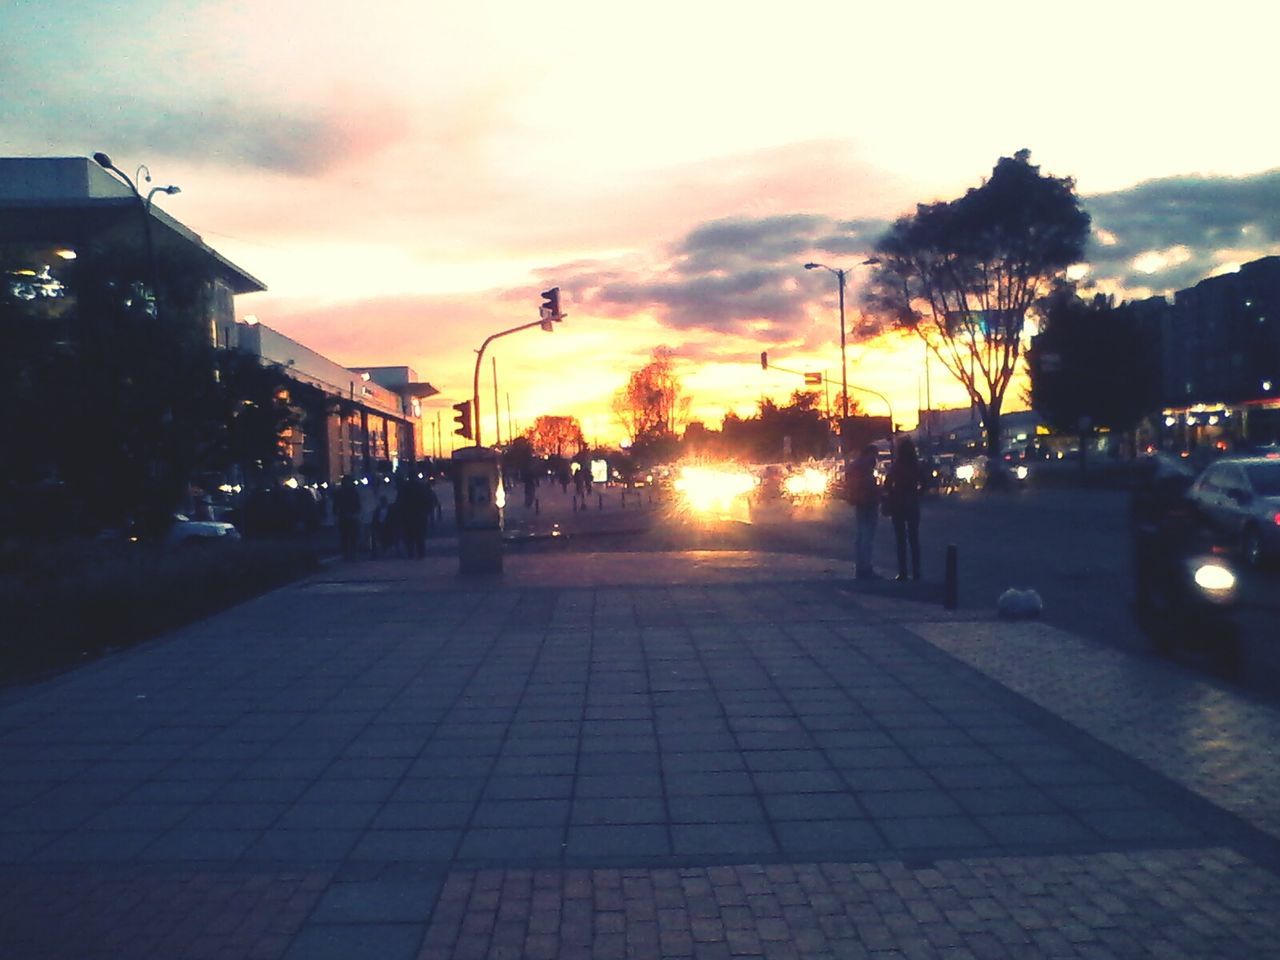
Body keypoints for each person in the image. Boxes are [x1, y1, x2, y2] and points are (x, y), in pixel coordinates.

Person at [886, 437, 923, 581]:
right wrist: (916, 492)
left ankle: (903, 572)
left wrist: (893, 493)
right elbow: (925, 483)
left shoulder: (896, 466)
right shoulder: (916, 466)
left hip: (898, 504)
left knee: (900, 540)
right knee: (914, 540)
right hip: (912, 503)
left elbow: (887, 484)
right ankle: (917, 572)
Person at [846, 443, 880, 580]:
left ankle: (861, 567)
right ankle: (865, 568)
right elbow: (868, 485)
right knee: (866, 536)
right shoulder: (865, 467)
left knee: (861, 536)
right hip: (867, 503)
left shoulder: (855, 466)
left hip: (860, 502)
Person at [335, 476, 362, 561]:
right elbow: (336, 505)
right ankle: (347, 554)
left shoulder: (352, 492)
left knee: (350, 536)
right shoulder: (345, 492)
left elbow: (357, 504)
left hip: (350, 516)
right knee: (346, 536)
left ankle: (351, 553)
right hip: (345, 516)